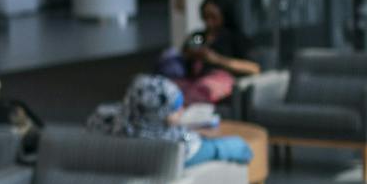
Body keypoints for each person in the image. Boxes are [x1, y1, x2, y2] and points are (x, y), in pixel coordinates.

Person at [90, 73, 252, 167]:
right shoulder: (177, 146)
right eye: (175, 108)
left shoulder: (105, 123)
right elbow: (204, 145)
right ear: (158, 113)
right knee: (236, 145)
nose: (181, 111)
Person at [175, 0, 262, 108]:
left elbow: (254, 68)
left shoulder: (234, 38)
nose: (209, 22)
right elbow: (186, 51)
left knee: (203, 89)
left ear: (224, 16)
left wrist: (217, 60)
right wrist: (194, 53)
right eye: (205, 17)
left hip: (219, 81)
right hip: (194, 79)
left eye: (213, 17)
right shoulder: (199, 36)